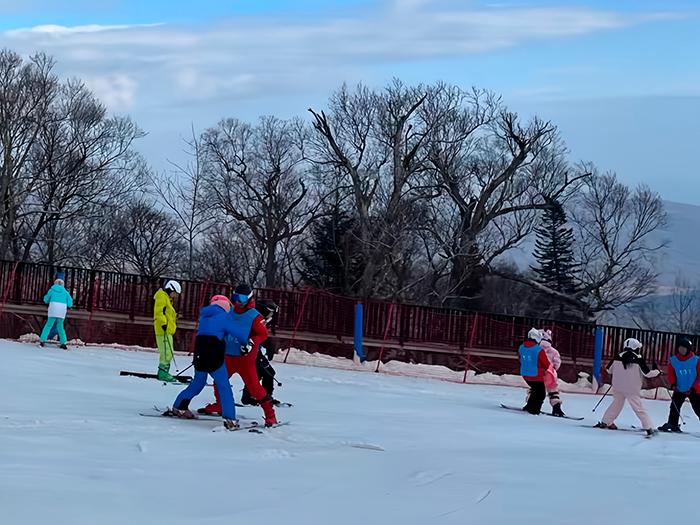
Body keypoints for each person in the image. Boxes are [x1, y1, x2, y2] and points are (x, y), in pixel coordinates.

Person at [199, 284, 278, 427]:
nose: (237, 302)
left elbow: (263, 334)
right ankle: (220, 405)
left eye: (241, 299)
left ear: (248, 299)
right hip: (228, 356)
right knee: (219, 382)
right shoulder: (230, 312)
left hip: (245, 360)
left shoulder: (254, 316)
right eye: (235, 298)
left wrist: (252, 342)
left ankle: (270, 415)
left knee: (254, 388)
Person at [165, 296, 240, 430]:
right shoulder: (225, 317)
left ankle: (179, 406)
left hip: (200, 355)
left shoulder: (204, 317)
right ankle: (230, 419)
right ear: (227, 305)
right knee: (224, 386)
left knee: (198, 383)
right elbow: (237, 335)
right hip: (214, 357)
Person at [595, 338, 660, 436]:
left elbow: (608, 370)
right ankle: (649, 427)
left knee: (616, 404)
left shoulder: (617, 357)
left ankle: (606, 421)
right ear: (636, 348)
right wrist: (658, 372)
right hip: (632, 389)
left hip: (618, 387)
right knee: (638, 408)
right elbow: (648, 374)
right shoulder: (638, 359)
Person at [240, 299, 279, 406]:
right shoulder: (256, 319)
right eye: (271, 312)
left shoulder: (260, 319)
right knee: (266, 373)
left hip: (255, 351)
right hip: (250, 352)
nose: (271, 316)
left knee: (259, 374)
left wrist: (267, 345)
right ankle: (262, 397)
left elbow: (262, 335)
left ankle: (252, 397)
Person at [658, 337, 700, 433]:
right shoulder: (673, 360)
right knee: (674, 407)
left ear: (688, 349)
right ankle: (673, 424)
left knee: (698, 408)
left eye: (684, 348)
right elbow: (671, 374)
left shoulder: (696, 360)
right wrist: (673, 384)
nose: (681, 350)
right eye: (680, 347)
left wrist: (695, 387)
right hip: (679, 389)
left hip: (694, 389)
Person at [519, 327, 551, 415]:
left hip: (525, 374)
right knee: (541, 394)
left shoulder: (521, 347)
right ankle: (534, 410)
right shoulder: (538, 350)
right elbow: (546, 364)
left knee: (534, 390)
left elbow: (520, 359)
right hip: (536, 375)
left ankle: (529, 406)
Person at [153, 280, 181, 382]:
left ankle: (164, 372)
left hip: (167, 330)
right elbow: (158, 311)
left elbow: (166, 312)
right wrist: (163, 323)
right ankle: (163, 374)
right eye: (175, 293)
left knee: (168, 352)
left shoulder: (167, 299)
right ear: (170, 289)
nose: (176, 296)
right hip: (163, 330)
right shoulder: (162, 297)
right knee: (166, 352)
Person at [39, 279, 74, 349]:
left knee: (48, 325)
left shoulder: (51, 290)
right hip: (61, 311)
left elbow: (46, 300)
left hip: (53, 309)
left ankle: (42, 340)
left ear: (55, 284)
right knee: (60, 327)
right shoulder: (65, 292)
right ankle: (63, 343)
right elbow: (70, 304)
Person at [540, 329, 565, 417]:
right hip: (550, 374)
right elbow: (557, 363)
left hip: (539, 373)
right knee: (553, 391)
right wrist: (553, 369)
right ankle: (556, 408)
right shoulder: (554, 351)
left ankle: (531, 404)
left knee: (535, 389)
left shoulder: (536, 349)